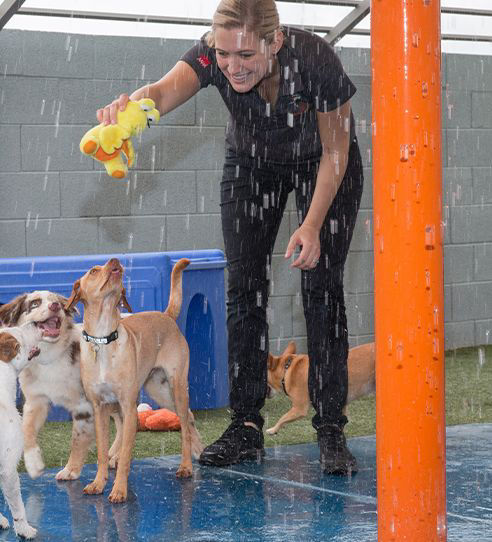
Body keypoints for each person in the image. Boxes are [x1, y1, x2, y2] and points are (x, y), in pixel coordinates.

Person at [96, 0, 363, 475]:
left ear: (275, 41)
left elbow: (337, 152)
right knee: (245, 290)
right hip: (252, 164)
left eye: (245, 56)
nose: (232, 68)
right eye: (223, 55)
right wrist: (127, 109)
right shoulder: (209, 55)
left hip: (323, 166)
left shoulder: (315, 59)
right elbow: (158, 93)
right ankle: (246, 426)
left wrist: (313, 223)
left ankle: (331, 429)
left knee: (321, 290)